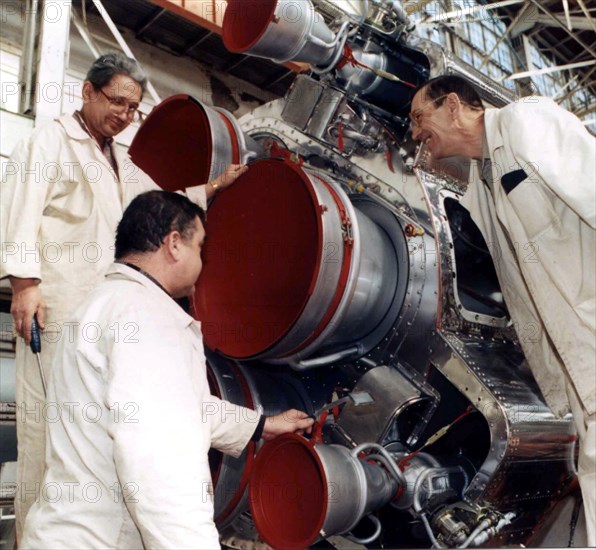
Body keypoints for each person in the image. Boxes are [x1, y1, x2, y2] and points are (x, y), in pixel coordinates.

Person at [0, 52, 247, 540]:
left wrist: (216, 186)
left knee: (97, 445)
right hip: (55, 317)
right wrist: (25, 286)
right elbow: (19, 205)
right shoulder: (52, 139)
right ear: (87, 92)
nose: (124, 114)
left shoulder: (119, 160)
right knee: (48, 441)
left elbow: (159, 206)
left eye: (133, 108)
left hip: (103, 319)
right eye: (116, 101)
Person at [20, 190, 314, 548]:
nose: (203, 263)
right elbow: (161, 466)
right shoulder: (145, 318)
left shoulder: (106, 304)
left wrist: (261, 425)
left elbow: (178, 408)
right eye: (200, 248)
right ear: (174, 244)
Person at [409, 74, 595, 544]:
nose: (414, 132)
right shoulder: (481, 185)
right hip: (577, 365)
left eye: (419, 117)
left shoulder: (526, 121)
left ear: (453, 106)